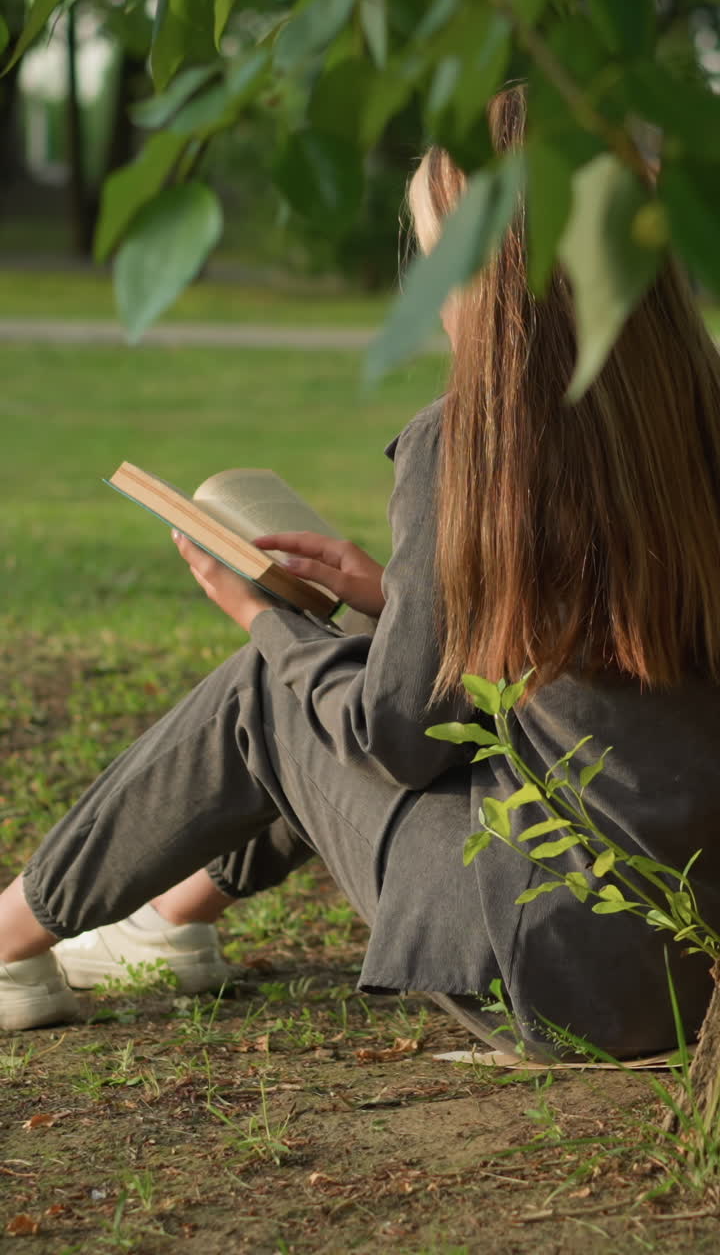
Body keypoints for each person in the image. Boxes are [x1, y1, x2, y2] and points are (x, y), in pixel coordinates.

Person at [3, 86, 720, 1058]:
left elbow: (392, 737)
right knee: (337, 661)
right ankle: (169, 918)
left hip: (557, 981)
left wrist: (262, 617)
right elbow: (606, 662)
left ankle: (11, 936)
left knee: (278, 685)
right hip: (689, 965)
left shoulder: (472, 442)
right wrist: (401, 599)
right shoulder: (694, 409)